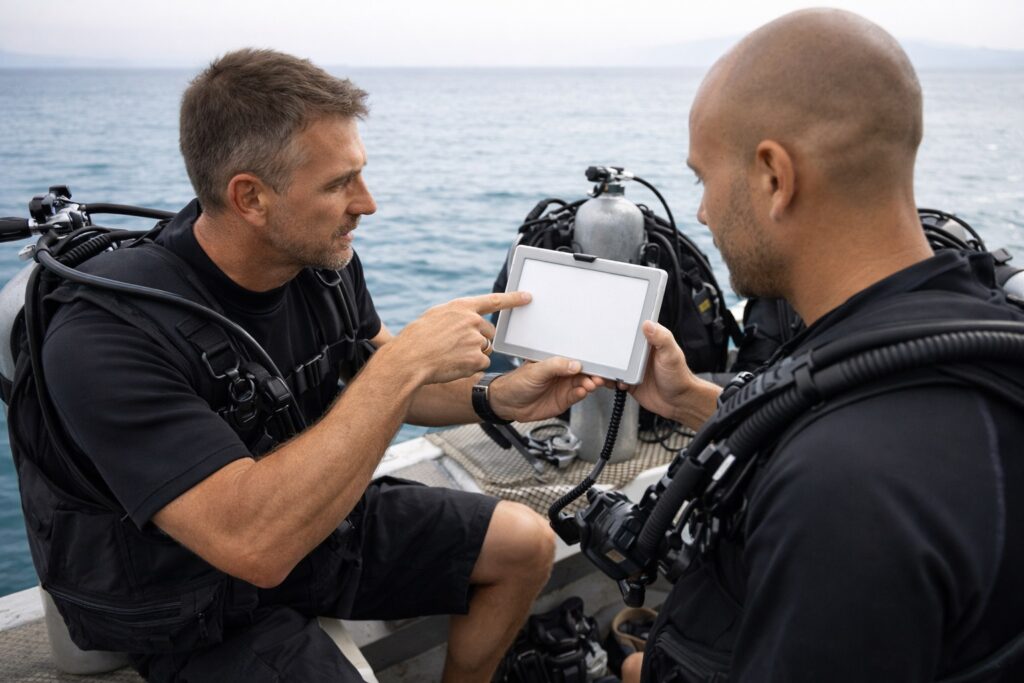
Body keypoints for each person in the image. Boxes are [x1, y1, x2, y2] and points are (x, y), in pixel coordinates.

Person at [22, 49, 602, 682]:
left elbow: (380, 369)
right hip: (191, 594)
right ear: (250, 198)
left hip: (316, 524)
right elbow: (255, 546)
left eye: (360, 174)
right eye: (338, 184)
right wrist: (401, 365)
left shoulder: (322, 265)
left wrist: (496, 396)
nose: (368, 203)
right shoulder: (107, 335)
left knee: (526, 545)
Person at [616, 9, 1024, 683]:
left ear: (775, 176)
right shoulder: (979, 345)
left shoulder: (841, 492)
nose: (702, 212)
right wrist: (691, 400)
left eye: (703, 177)